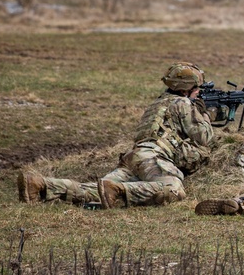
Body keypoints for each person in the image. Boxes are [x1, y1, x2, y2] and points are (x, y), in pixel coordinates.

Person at [17, 62, 216, 209]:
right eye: (197, 88)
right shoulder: (183, 104)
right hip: (154, 158)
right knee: (174, 189)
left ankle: (41, 185)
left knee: (98, 191)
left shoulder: (158, 103)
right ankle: (121, 191)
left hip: (133, 157)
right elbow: (204, 137)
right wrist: (202, 111)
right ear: (188, 88)